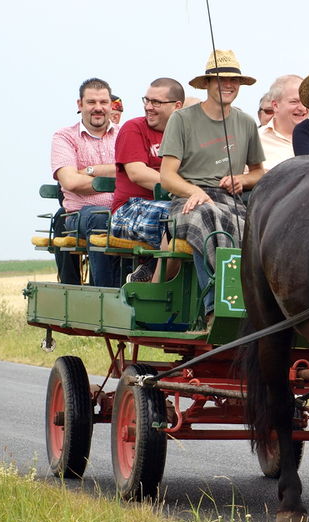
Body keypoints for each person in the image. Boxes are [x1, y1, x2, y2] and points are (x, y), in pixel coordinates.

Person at [160, 49, 264, 323]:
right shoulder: (182, 120)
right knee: (208, 215)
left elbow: (258, 172)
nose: (228, 85)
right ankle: (215, 308)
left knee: (257, 226)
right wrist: (195, 191)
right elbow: (167, 177)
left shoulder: (246, 122)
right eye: (221, 79)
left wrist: (242, 179)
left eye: (234, 80)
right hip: (187, 201)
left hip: (231, 200)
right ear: (206, 83)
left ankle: (257, 302)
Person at [109, 78, 184, 282]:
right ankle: (154, 292)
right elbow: (137, 173)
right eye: (147, 100)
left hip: (174, 204)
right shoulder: (134, 128)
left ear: (177, 106)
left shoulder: (186, 133)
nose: (148, 107)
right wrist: (186, 187)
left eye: (156, 102)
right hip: (128, 210)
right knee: (178, 219)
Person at [50, 77, 120, 286]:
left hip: (123, 210)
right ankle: (104, 294)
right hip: (79, 216)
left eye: (103, 102)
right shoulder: (64, 137)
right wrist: (119, 176)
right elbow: (70, 182)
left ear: (110, 106)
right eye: (91, 102)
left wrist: (92, 171)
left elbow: (136, 172)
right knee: (99, 217)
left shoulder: (125, 134)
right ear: (80, 105)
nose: (98, 108)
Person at [257, 75, 309, 170]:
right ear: (275, 105)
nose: (303, 108)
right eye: (294, 102)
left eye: (306, 101)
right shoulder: (255, 140)